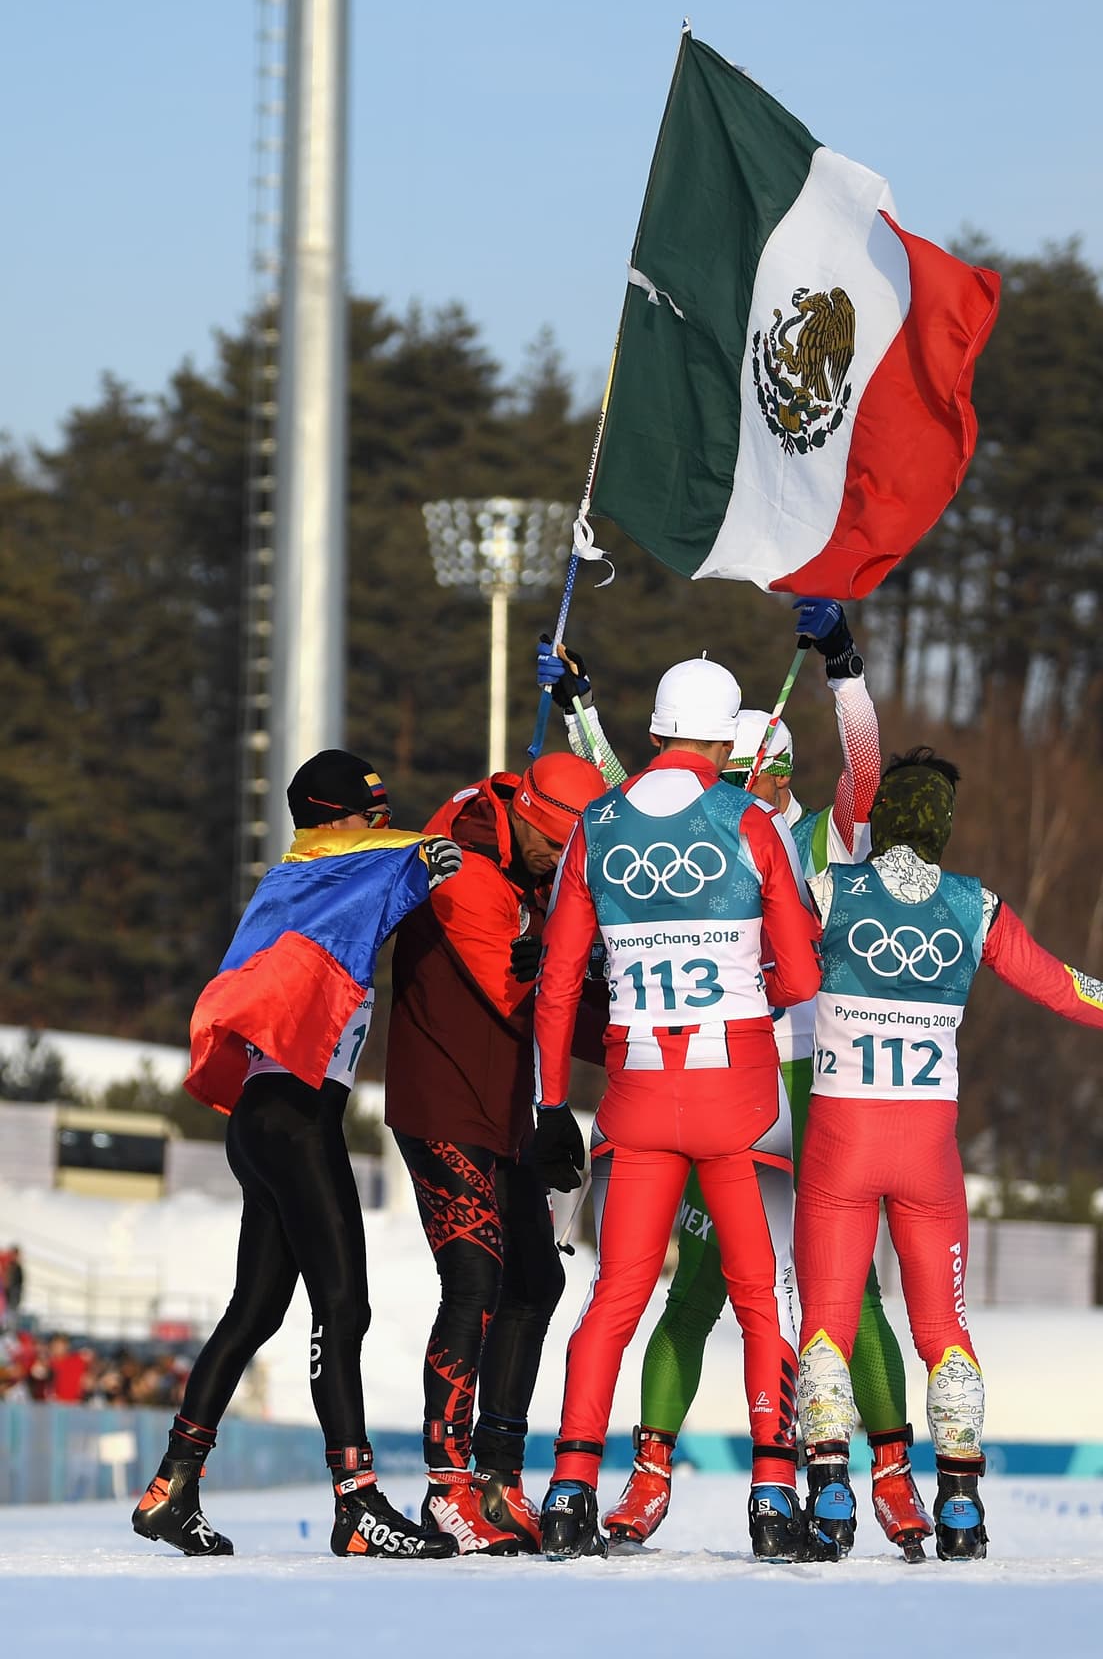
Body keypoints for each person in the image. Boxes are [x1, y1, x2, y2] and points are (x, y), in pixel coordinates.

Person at [538, 603, 932, 1561]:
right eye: (753, 762)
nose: (765, 776)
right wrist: (584, 712)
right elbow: (647, 794)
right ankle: (669, 1474)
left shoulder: (817, 835)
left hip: (791, 1089)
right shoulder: (734, 822)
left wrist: (847, 672)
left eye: (777, 766)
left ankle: (888, 1475)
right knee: (703, 1293)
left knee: (842, 1297)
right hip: (743, 1087)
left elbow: (864, 773)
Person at [794, 746, 1103, 1561]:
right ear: (943, 830)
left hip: (841, 1139)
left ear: (884, 821)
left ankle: (830, 1492)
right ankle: (963, 1505)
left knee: (826, 1324)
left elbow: (755, 961)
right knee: (945, 1328)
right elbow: (1057, 983)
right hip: (928, 1147)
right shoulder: (975, 906)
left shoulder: (831, 886)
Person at [132, 750, 463, 1561]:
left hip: (265, 1120)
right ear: (332, 817)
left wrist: (410, 859)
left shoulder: (303, 883)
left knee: (257, 1309)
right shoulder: (319, 871)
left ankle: (173, 1485)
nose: (382, 828)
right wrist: (423, 855)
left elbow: (371, 878)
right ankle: (357, 1503)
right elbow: (370, 869)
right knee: (344, 1306)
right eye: (370, 816)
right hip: (291, 1123)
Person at [533, 657, 824, 1561]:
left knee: (615, 1297)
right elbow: (804, 973)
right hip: (740, 1094)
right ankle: (774, 1501)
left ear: (657, 727)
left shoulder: (596, 823)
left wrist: (551, 1106)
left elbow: (554, 984)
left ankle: (572, 1490)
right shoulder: (746, 821)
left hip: (636, 1095)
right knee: (759, 1300)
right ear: (726, 736)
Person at [385, 750, 608, 1556]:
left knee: (535, 1279)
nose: (563, 868)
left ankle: (497, 1478)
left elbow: (552, 979)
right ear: (530, 821)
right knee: (475, 1276)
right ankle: (446, 1490)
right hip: (442, 1098)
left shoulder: (514, 837)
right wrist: (589, 990)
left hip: (503, 1105)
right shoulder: (469, 872)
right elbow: (522, 999)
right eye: (558, 852)